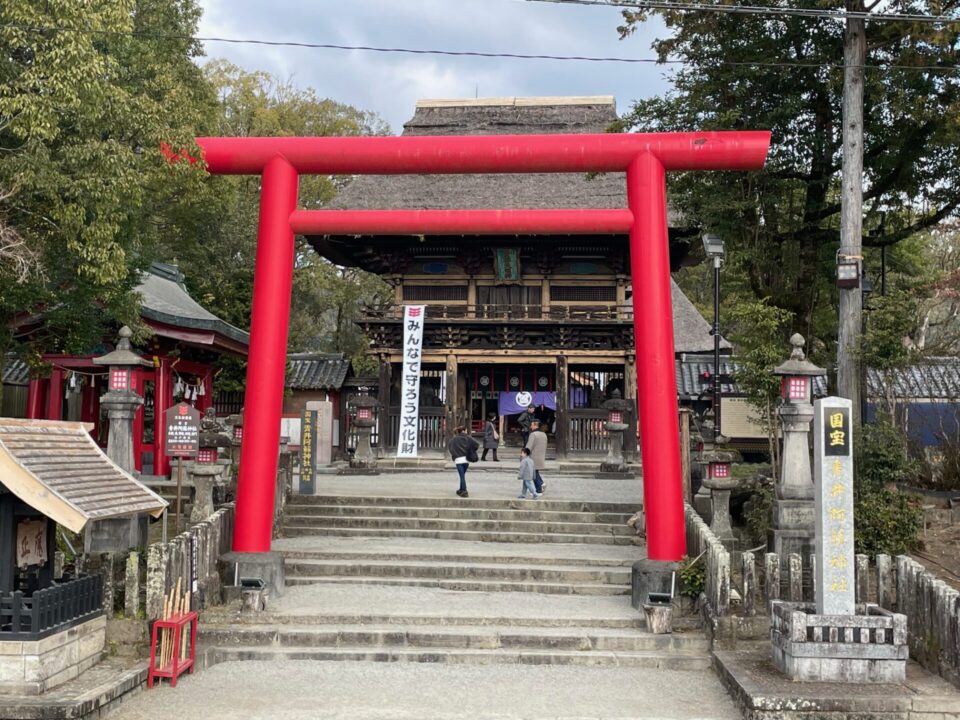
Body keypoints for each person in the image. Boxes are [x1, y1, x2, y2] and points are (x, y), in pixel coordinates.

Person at [447, 425, 479, 498]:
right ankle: (461, 489)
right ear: (464, 430)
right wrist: (471, 450)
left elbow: (450, 447)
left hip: (458, 460)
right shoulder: (468, 438)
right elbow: (477, 444)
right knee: (462, 475)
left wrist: (454, 454)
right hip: (467, 459)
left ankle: (464, 490)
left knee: (462, 476)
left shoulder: (454, 439)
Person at [525, 419, 548, 494]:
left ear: (535, 425)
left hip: (533, 457)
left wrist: (524, 455)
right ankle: (541, 484)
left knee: (533, 474)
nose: (530, 426)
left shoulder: (533, 434)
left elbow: (529, 447)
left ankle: (539, 489)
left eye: (532, 424)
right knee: (535, 472)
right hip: (540, 456)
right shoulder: (543, 434)